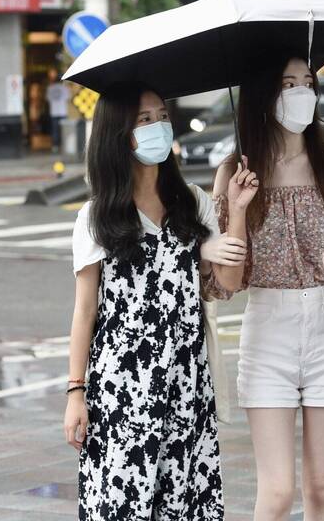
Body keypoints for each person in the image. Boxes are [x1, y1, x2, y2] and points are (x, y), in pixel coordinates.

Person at [64, 82, 258, 520]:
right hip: (122, 386)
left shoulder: (191, 202)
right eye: (144, 120)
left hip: (185, 382)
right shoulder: (97, 216)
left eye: (162, 117)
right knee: (123, 505)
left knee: (182, 502)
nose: (159, 128)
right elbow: (85, 311)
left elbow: (228, 280)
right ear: (119, 135)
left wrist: (239, 210)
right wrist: (76, 393)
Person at [204, 56, 324, 521]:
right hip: (268, 331)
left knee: (322, 489)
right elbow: (226, 283)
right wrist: (238, 209)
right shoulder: (233, 172)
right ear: (265, 95)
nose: (302, 92)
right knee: (278, 492)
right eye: (288, 83)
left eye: (308, 82)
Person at [45, 68, 70, 153]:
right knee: (63, 130)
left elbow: (48, 99)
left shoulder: (50, 88)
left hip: (54, 112)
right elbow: (68, 98)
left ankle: (55, 147)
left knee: (55, 130)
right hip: (63, 111)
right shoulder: (65, 88)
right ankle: (63, 146)